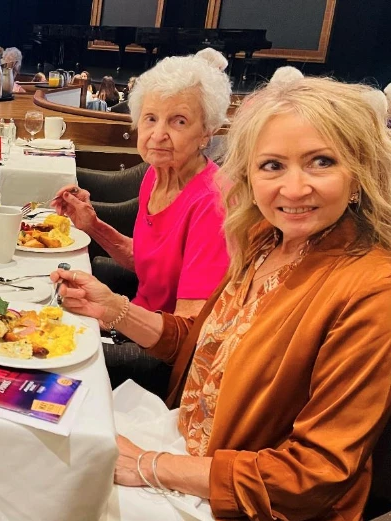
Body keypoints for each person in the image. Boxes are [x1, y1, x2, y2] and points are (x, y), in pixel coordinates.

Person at [54, 76, 391, 521]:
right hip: (187, 445)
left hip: (247, 500)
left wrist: (150, 466)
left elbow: (316, 475)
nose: (293, 189)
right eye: (272, 165)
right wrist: (115, 309)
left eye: (321, 162)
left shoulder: (372, 291)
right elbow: (204, 346)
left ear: (359, 174)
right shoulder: (265, 238)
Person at [52, 56, 232, 393]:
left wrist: (115, 312)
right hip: (129, 325)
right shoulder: (156, 175)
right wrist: (93, 225)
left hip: (156, 359)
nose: (158, 134)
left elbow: (191, 339)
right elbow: (148, 259)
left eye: (179, 121)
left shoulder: (212, 204)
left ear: (206, 132)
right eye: (150, 118)